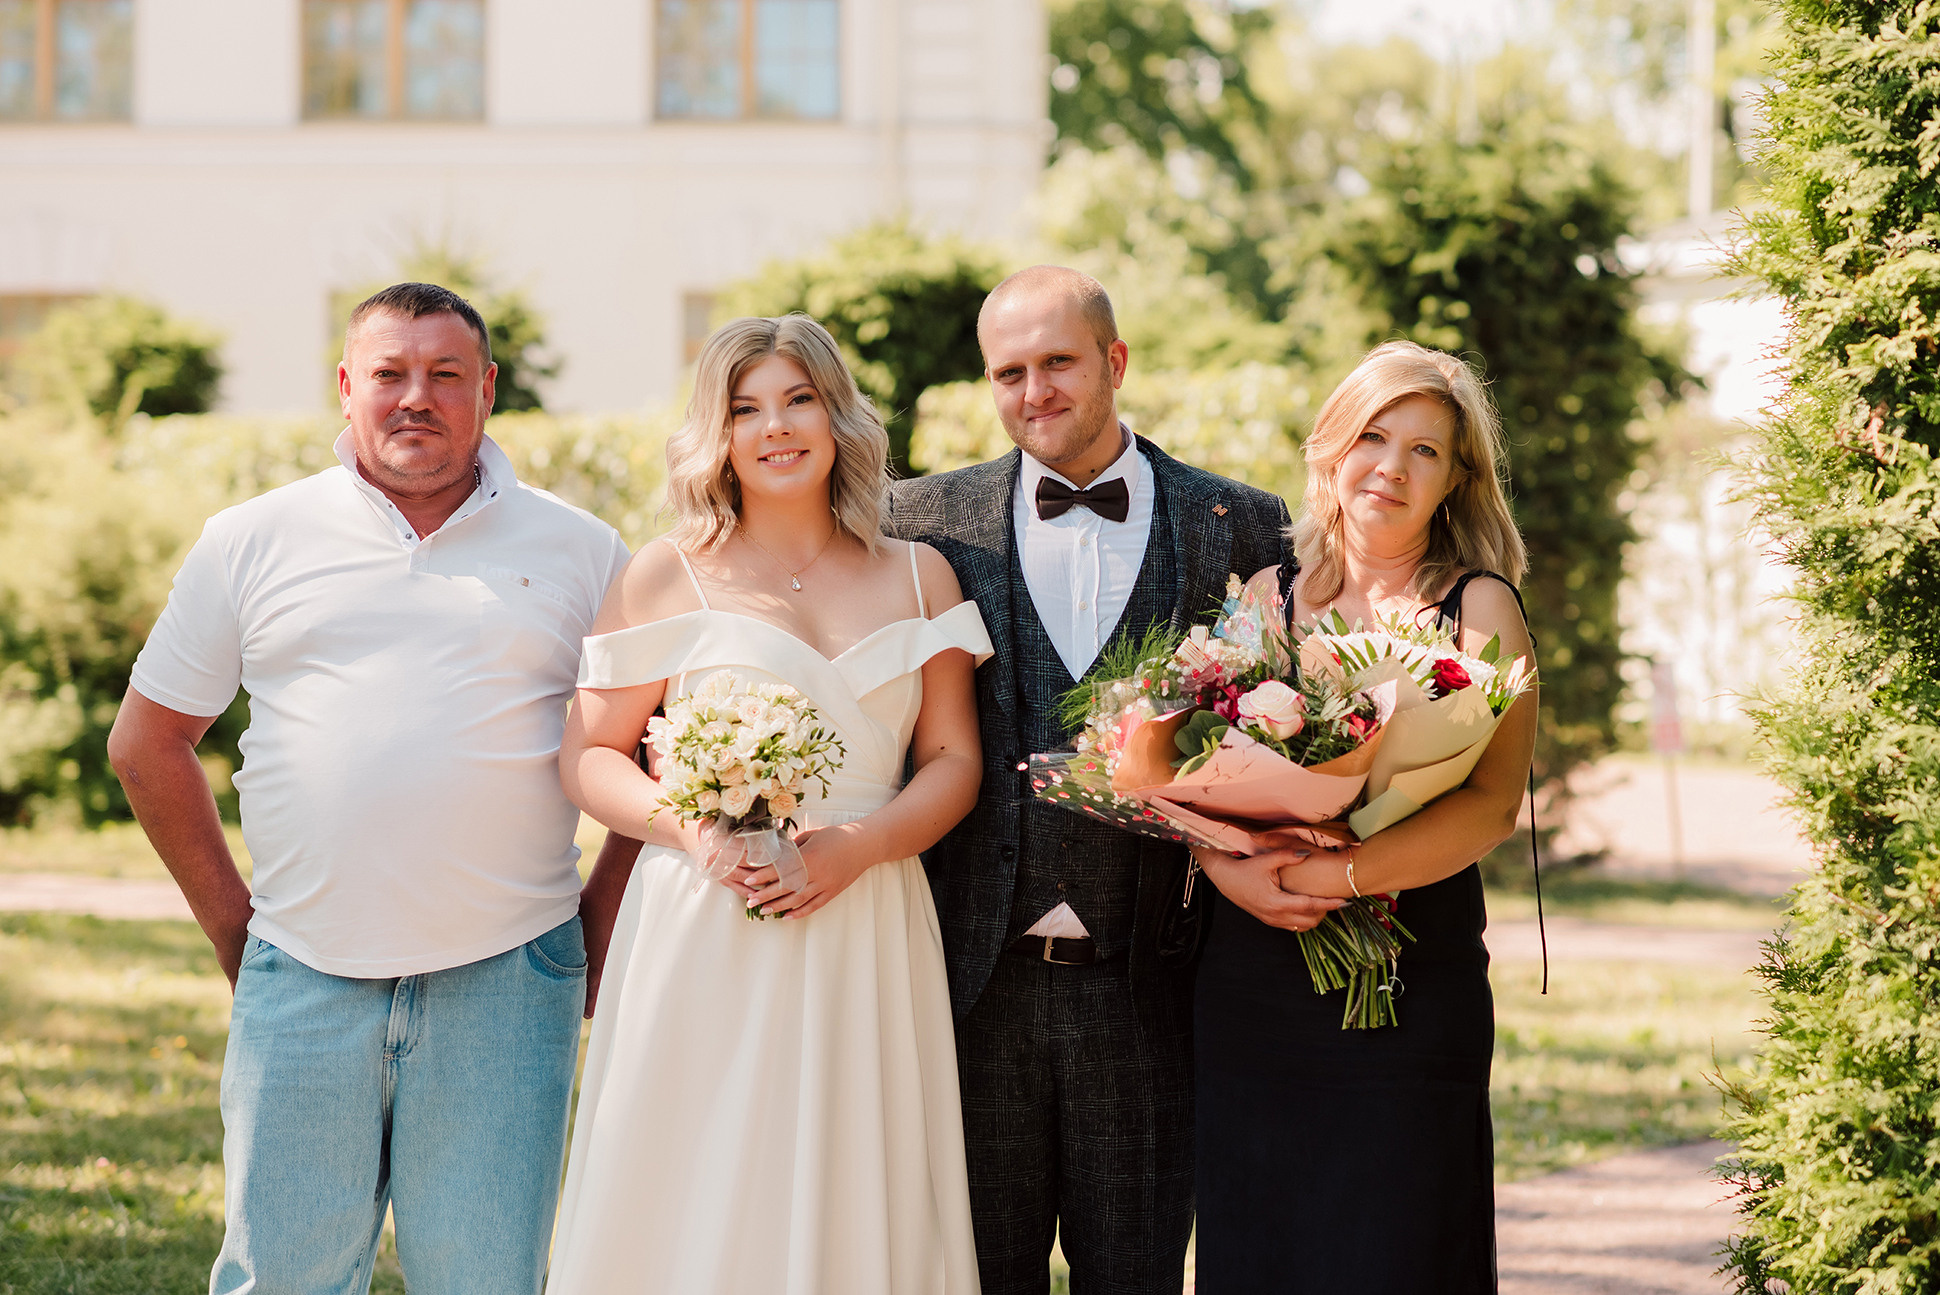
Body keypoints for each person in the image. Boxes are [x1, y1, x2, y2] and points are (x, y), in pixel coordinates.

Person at [105, 282, 637, 1294]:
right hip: (302, 968)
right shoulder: (251, 538)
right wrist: (238, 931)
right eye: (389, 373)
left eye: (445, 374)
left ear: (487, 389)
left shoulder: (581, 549)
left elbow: (646, 750)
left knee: (485, 1279)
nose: (415, 397)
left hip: (508, 976)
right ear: (346, 387)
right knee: (280, 1277)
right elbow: (148, 742)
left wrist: (595, 930)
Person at [547, 313, 988, 1294]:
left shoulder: (921, 575)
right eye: (744, 408)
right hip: (709, 917)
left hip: (866, 913)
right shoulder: (669, 570)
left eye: (797, 400)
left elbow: (954, 759)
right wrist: (689, 832)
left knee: (855, 1171)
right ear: (719, 433)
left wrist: (858, 847)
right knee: (698, 1176)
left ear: (836, 417)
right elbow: (589, 754)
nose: (774, 426)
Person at [883, 266, 1297, 1295]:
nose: (1033, 392)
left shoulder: (1241, 525)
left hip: (1152, 989)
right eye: (1007, 372)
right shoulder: (917, 523)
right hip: (970, 991)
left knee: (1142, 1276)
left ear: (1113, 361)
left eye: (1056, 362)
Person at [1191, 340, 1537, 1294]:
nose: (1390, 467)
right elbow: (1199, 778)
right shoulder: (1263, 596)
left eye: (1425, 450)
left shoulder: (1479, 610)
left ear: (1456, 478)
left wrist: (1338, 877)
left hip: (1408, 978)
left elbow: (1490, 805)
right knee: (1257, 1244)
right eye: (1374, 436)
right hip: (1254, 978)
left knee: (1396, 1246)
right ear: (1332, 449)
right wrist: (1233, 873)